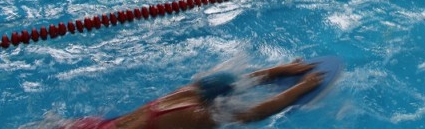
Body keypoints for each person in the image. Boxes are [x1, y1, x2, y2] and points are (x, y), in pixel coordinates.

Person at [64, 59, 322, 128]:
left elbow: (240, 81)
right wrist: (302, 86)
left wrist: (279, 70)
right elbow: (256, 113)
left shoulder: (188, 91)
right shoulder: (196, 115)